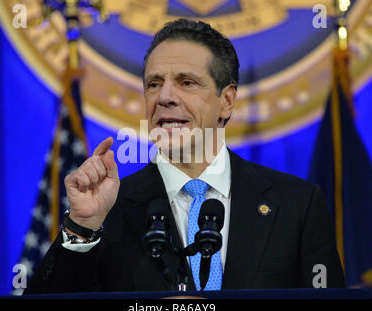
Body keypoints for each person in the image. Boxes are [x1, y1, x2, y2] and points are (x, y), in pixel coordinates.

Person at [24, 19, 345, 294]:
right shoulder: (106, 212)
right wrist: (82, 226)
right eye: (154, 84)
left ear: (227, 101)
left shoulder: (296, 205)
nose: (164, 97)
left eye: (186, 82)